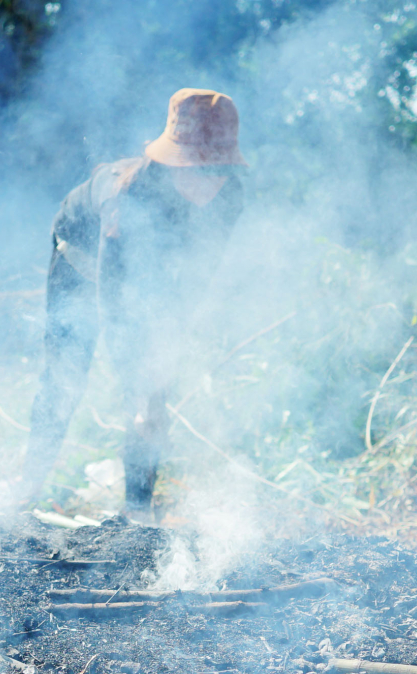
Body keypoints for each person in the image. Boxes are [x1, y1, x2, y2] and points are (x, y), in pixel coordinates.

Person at [22, 89, 247, 520]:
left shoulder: (230, 197)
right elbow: (114, 301)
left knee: (154, 388)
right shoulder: (125, 201)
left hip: (150, 274)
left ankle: (138, 512)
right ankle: (28, 485)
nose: (208, 178)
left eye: (218, 166)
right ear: (171, 162)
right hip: (84, 265)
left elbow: (200, 276)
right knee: (67, 376)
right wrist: (137, 382)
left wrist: (168, 344)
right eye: (197, 166)